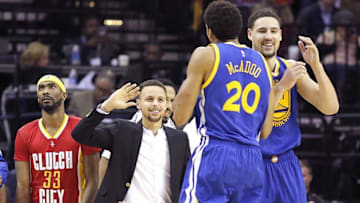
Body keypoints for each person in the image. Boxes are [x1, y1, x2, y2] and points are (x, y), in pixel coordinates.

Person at [173, 1, 275, 202]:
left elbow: (179, 117)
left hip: (216, 152)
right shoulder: (263, 62)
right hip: (252, 160)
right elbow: (265, 131)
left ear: (209, 31)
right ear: (241, 30)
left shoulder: (206, 54)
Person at [247, 8, 339, 202]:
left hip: (287, 165)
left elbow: (330, 107)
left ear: (281, 34)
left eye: (273, 31)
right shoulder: (241, 71)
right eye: (262, 31)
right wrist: (282, 86)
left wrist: (316, 66)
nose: (268, 36)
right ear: (250, 34)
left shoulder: (289, 68)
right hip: (252, 163)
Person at [72, 80, 190, 202]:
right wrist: (105, 107)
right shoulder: (122, 130)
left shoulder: (180, 138)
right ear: (138, 104)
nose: (155, 104)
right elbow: (80, 134)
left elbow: (186, 181)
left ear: (166, 104)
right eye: (149, 99)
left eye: (160, 100)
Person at [14, 74, 100, 203]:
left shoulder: (82, 129)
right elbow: (22, 187)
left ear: (64, 95)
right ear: (37, 98)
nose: (46, 91)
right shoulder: (24, 133)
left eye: (52, 87)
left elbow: (93, 181)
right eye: (41, 88)